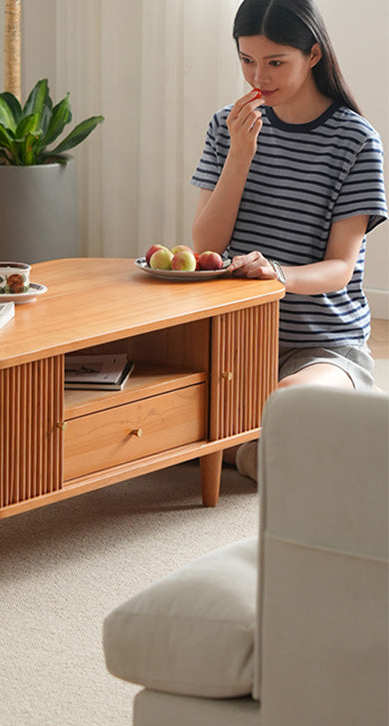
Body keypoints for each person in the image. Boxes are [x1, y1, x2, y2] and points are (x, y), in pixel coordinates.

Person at [191, 0, 387, 479]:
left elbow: (340, 268)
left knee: (283, 420)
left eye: (276, 62)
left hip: (320, 345)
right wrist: (240, 155)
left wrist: (277, 274)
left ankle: (333, 415)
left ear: (313, 55)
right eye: (246, 60)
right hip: (235, 338)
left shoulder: (356, 142)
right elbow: (205, 246)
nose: (259, 76)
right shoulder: (229, 126)